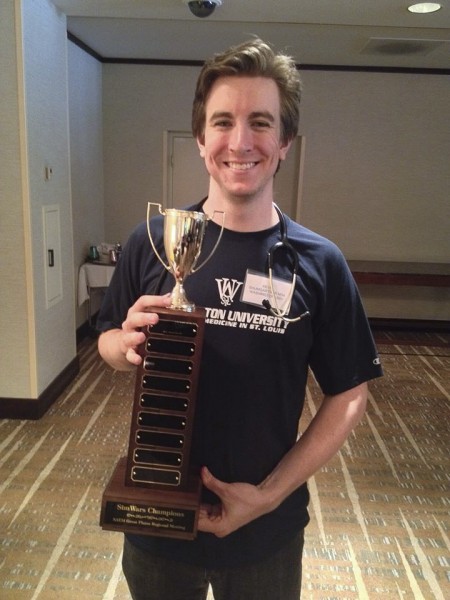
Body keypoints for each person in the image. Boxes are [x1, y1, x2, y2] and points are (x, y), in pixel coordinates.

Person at [97, 38, 383, 600]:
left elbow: (350, 391)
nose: (241, 141)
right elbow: (107, 339)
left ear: (284, 143)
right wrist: (120, 345)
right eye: (223, 121)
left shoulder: (320, 263)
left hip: (265, 534)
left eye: (261, 122)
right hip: (156, 523)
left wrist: (271, 494)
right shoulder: (153, 243)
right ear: (201, 138)